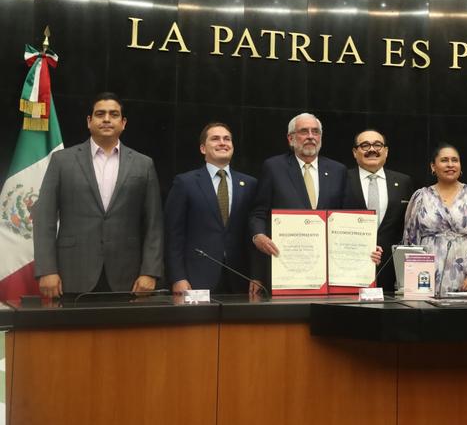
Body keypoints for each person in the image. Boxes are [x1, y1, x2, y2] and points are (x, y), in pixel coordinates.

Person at [33, 92, 163, 298]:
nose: (106, 119)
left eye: (114, 114)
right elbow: (44, 218)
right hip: (72, 272)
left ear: (123, 122)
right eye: (100, 114)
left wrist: (150, 271)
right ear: (89, 121)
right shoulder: (62, 161)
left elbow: (154, 224)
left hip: (128, 277)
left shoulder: (143, 164)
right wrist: (47, 270)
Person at [248, 113, 379, 287]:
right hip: (286, 268)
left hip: (327, 272)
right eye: (304, 131)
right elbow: (258, 213)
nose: (310, 136)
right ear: (290, 138)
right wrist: (258, 236)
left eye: (315, 132)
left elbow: (348, 219)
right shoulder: (274, 168)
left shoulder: (337, 170)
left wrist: (366, 246)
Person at [164, 123, 259, 295]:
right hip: (196, 279)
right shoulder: (185, 183)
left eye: (227, 139)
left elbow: (254, 234)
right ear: (202, 148)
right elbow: (173, 234)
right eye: (215, 139)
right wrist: (178, 277)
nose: (222, 143)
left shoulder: (250, 184)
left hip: (241, 279)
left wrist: (258, 276)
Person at [402, 144, 467, 295]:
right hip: (425, 279)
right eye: (444, 160)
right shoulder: (420, 197)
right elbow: (409, 242)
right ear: (433, 166)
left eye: (455, 160)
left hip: (466, 279)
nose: (450, 164)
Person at [344, 129, 413, 293]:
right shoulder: (342, 179)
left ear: (386, 151)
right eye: (365, 145)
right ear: (355, 152)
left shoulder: (403, 182)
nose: (372, 150)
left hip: (391, 269)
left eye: (377, 145)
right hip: (350, 266)